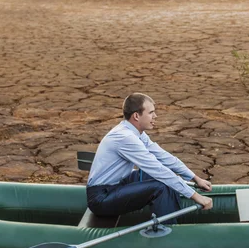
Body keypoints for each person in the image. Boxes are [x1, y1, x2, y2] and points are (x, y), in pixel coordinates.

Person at [86, 93, 213, 224]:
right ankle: (168, 230)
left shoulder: (136, 133)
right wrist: (196, 196)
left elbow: (164, 157)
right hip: (101, 197)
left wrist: (195, 178)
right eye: (151, 112)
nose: (155, 116)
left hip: (119, 184)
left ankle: (173, 218)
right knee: (161, 185)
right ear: (136, 116)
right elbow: (158, 170)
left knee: (161, 177)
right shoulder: (125, 137)